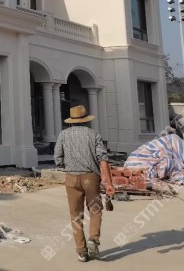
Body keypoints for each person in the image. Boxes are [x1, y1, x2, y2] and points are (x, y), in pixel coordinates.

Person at [54, 105, 115, 262]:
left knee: (76, 215)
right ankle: (93, 239)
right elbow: (103, 159)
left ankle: (81, 251)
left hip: (71, 178)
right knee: (95, 210)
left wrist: (65, 166)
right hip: (91, 177)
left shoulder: (63, 135)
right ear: (86, 120)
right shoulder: (94, 134)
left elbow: (57, 157)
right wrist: (108, 183)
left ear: (71, 121)